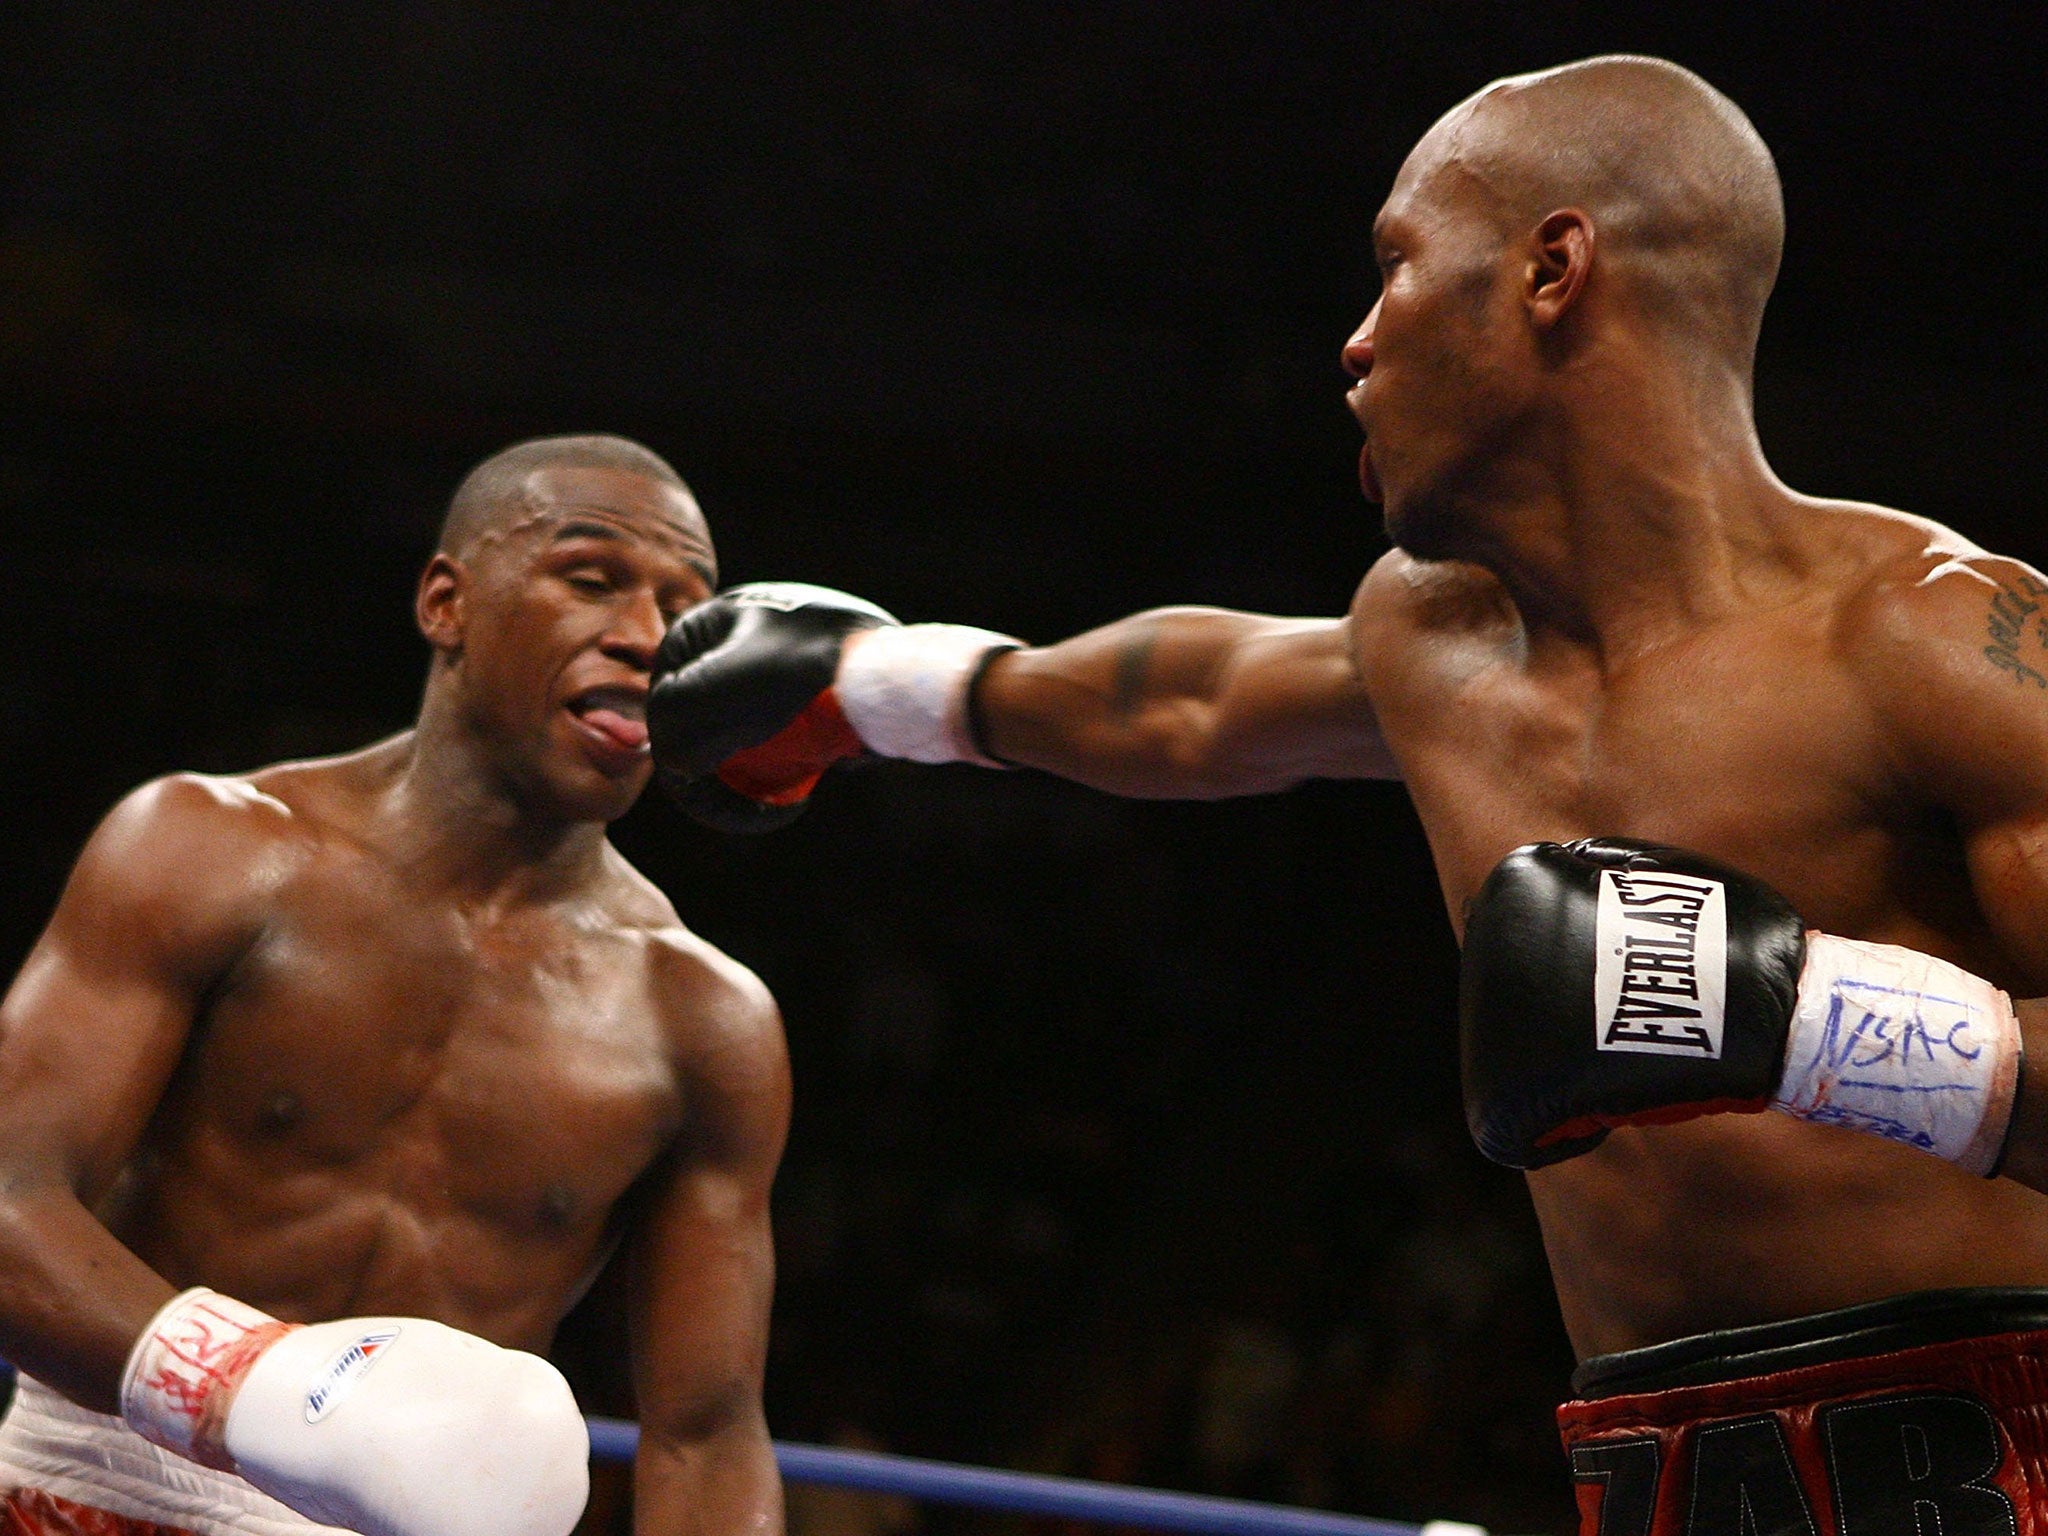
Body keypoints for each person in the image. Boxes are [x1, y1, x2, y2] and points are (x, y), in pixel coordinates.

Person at [645, 55, 2048, 1533]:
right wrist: (874, 686)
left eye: (1397, 269)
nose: (1357, 344)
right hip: (1658, 1471)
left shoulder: (1930, 638)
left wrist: (1817, 1022)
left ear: (1551, 270)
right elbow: (1186, 703)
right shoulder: (1430, 641)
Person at [0, 436, 790, 1536]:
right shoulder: (205, 852)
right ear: (444, 602)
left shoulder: (702, 1019)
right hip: (100, 1487)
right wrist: (258, 1392)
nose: (646, 637)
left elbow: (706, 1436)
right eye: (591, 579)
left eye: (684, 610)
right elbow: (8, 1200)